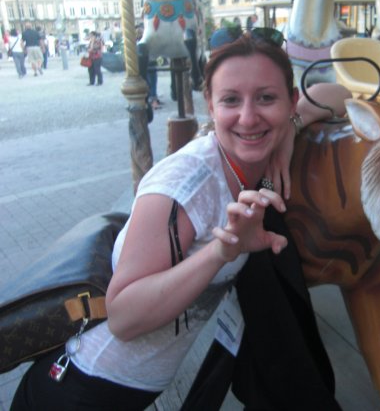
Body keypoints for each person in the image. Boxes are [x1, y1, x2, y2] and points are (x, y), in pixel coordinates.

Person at [11, 28, 351, 410]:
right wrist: (221, 252)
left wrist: (291, 128)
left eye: (266, 98)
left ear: (290, 101)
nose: (248, 117)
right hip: (81, 386)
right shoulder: (185, 185)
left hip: (133, 389)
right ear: (210, 105)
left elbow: (339, 93)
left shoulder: (252, 156)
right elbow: (122, 318)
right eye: (231, 99)